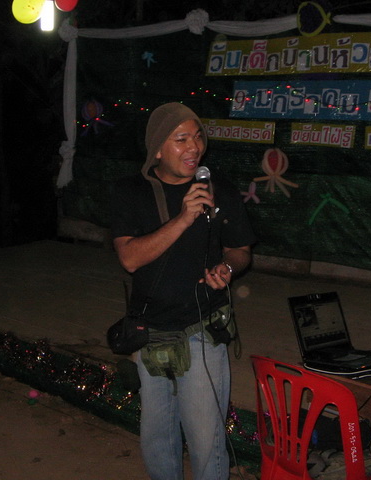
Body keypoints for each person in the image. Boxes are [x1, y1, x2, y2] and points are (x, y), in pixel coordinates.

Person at [110, 102, 256, 480]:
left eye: (197, 137)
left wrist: (227, 268)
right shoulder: (130, 192)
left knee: (207, 441)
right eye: (181, 139)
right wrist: (184, 217)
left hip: (201, 330)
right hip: (150, 332)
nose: (194, 147)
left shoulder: (218, 190)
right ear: (158, 148)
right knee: (157, 438)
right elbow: (129, 258)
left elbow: (240, 250)